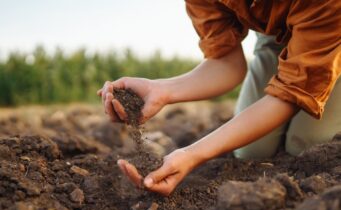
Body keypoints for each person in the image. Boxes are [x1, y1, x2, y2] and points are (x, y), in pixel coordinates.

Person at [97, 0, 341, 196]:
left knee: (308, 145)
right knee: (251, 151)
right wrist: (162, 89)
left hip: (330, 29)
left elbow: (290, 94)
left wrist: (192, 154)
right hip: (277, 34)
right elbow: (226, 63)